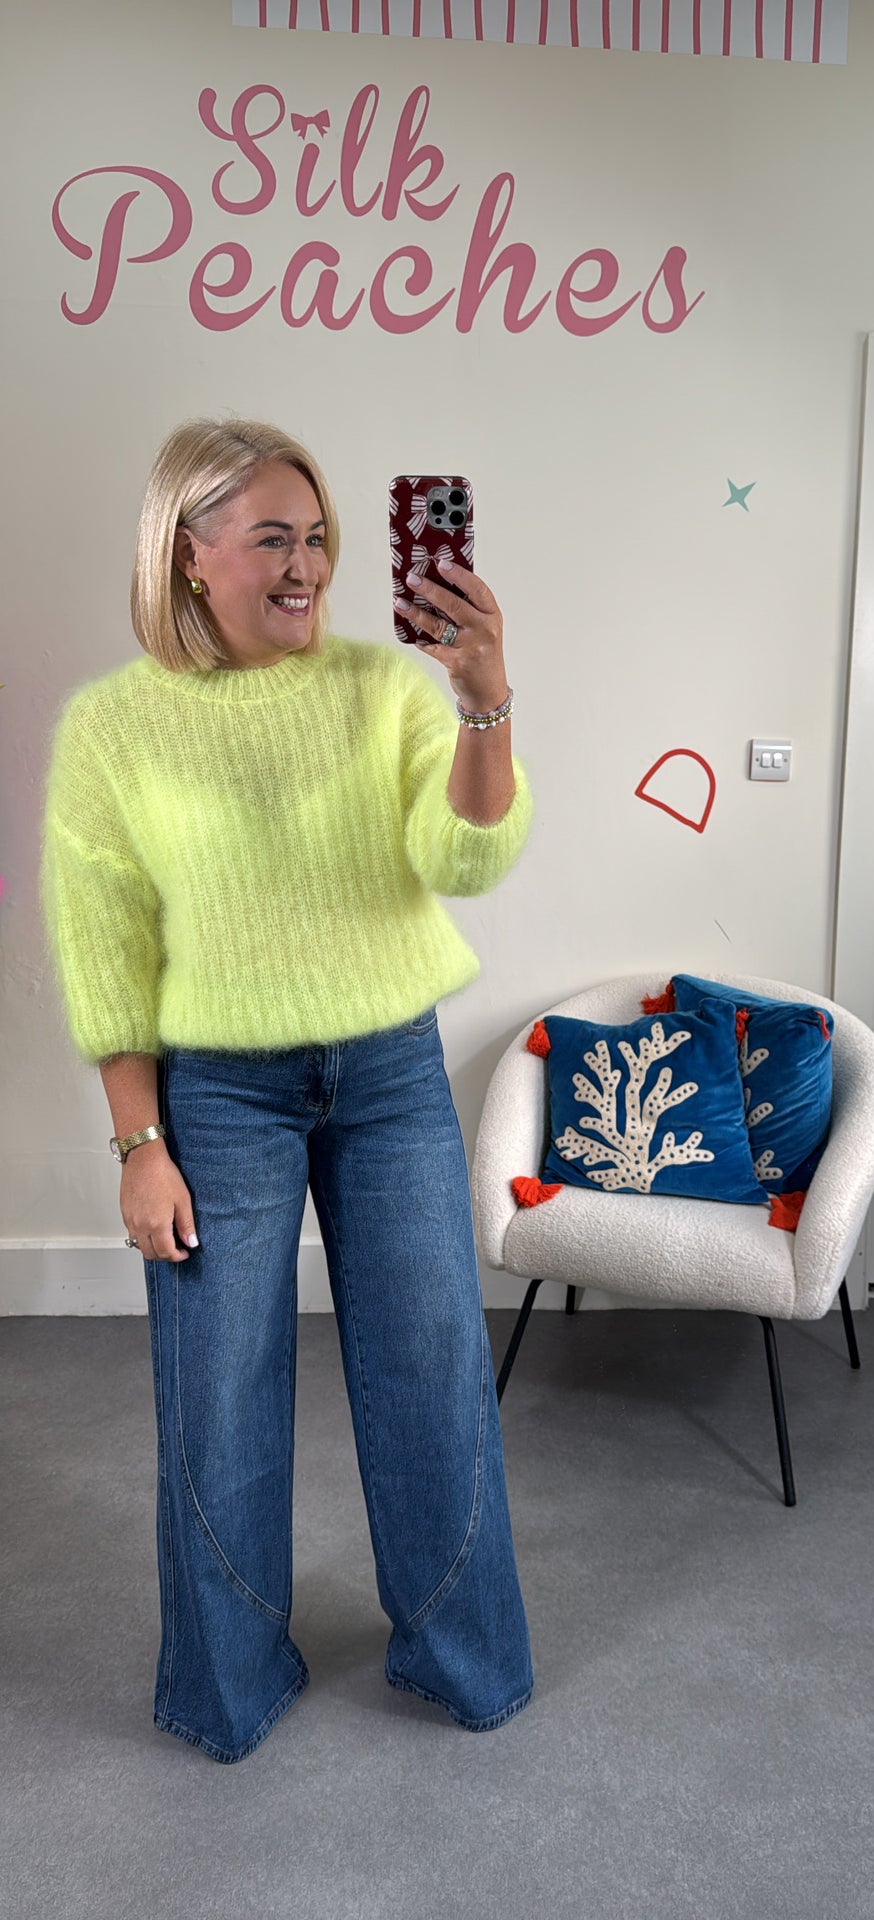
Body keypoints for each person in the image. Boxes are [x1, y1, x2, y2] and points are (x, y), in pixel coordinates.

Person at [38, 418, 535, 1763]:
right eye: (273, 539)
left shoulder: (382, 691)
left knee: (433, 1372)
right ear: (188, 557)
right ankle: (227, 1681)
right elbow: (107, 948)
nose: (307, 565)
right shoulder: (115, 729)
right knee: (220, 1398)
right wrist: (138, 1143)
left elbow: (467, 856)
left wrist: (482, 698)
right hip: (220, 1096)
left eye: (318, 538)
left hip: (389, 1073)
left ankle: (463, 1652)